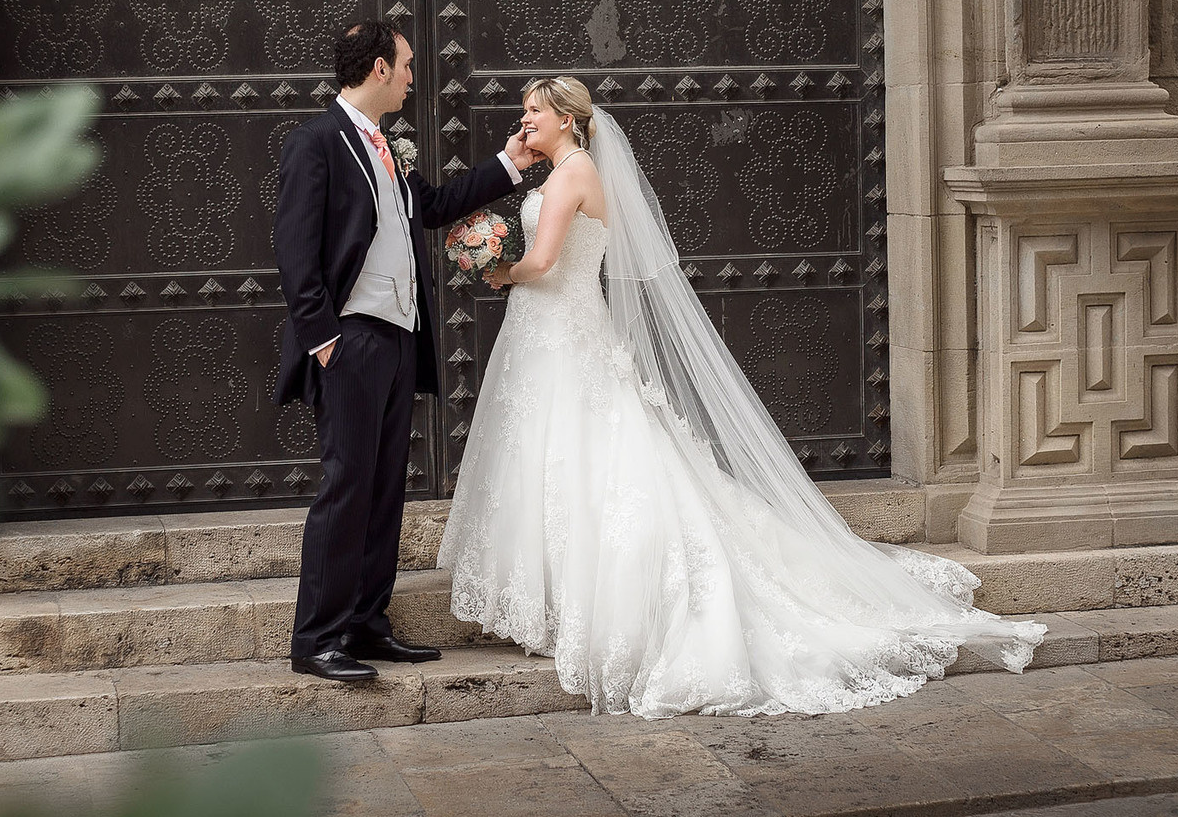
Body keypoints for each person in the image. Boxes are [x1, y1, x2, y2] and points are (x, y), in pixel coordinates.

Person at [441, 76, 1046, 717]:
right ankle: (557, 602)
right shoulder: (573, 172)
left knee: (574, 454)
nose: (525, 119)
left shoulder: (570, 177)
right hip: (556, 329)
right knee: (561, 454)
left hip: (560, 331)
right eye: (525, 111)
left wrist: (495, 270)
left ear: (567, 119)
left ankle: (579, 605)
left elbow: (541, 264)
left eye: (535, 111)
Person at [273, 21, 532, 683]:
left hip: (396, 338)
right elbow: (296, 251)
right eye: (408, 65)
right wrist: (325, 342)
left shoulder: (386, 146)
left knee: (385, 488)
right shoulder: (316, 142)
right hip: (349, 341)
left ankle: (365, 622)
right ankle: (316, 639)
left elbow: (434, 206)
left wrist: (509, 164)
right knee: (347, 487)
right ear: (380, 68)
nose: (415, 76)